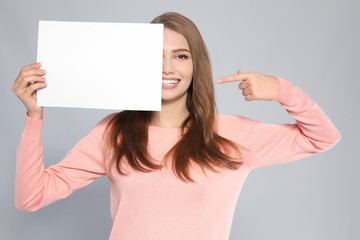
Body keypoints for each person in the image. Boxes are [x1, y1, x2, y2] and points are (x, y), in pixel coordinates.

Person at [12, 12, 341, 240]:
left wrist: (282, 90)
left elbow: (323, 137)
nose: (167, 68)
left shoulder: (233, 133)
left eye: (181, 56)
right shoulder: (114, 132)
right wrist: (34, 117)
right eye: (156, 56)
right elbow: (32, 197)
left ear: (196, 64)